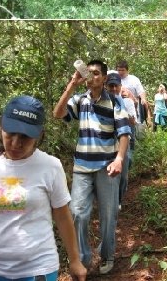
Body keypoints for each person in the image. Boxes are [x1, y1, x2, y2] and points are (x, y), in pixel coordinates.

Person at [0, 96, 87, 281]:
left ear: (39, 135)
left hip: (38, 269)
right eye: (10, 134)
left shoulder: (50, 166)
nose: (16, 143)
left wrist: (75, 260)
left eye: (25, 137)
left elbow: (62, 216)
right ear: (0, 127)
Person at [53, 60, 132, 275]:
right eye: (90, 73)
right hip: (82, 167)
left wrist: (119, 159)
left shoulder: (115, 103)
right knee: (77, 213)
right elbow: (58, 113)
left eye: (97, 73)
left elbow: (124, 133)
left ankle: (107, 255)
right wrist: (72, 84)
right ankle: (83, 258)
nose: (92, 77)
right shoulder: (80, 100)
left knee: (109, 214)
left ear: (105, 78)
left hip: (107, 167)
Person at [105, 72, 136, 209]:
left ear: (120, 86)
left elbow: (133, 122)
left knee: (123, 174)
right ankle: (107, 200)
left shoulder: (127, 102)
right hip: (107, 142)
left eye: (115, 86)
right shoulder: (102, 101)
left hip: (123, 141)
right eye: (110, 86)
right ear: (106, 86)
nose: (113, 89)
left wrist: (125, 116)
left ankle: (118, 199)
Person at [116, 60, 150, 127]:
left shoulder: (134, 79)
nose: (120, 72)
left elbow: (141, 91)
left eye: (122, 70)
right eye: (119, 70)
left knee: (133, 127)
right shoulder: (114, 80)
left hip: (133, 108)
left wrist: (143, 99)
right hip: (118, 109)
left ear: (127, 70)